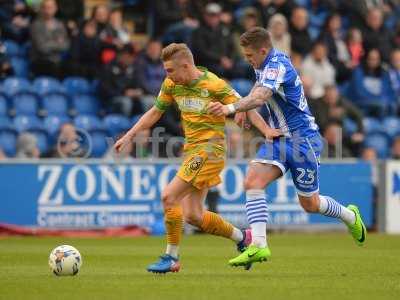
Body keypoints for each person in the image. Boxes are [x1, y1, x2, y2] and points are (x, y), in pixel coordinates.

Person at [207, 27, 367, 268]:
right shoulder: (261, 63)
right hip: (280, 138)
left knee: (310, 204)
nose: (247, 59)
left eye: (250, 55)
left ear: (263, 50)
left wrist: (232, 109)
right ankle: (259, 245)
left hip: (303, 139)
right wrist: (245, 109)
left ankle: (349, 215)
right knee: (252, 181)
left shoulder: (278, 64)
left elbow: (261, 96)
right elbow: (258, 87)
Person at [114, 43, 274, 273]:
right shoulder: (171, 84)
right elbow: (155, 112)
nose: (167, 75)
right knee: (193, 216)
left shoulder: (214, 84)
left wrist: (266, 130)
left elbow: (247, 105)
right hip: (192, 151)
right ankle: (244, 238)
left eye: (170, 70)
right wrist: (129, 135)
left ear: (186, 66)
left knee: (169, 196)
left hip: (210, 151)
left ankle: (171, 258)